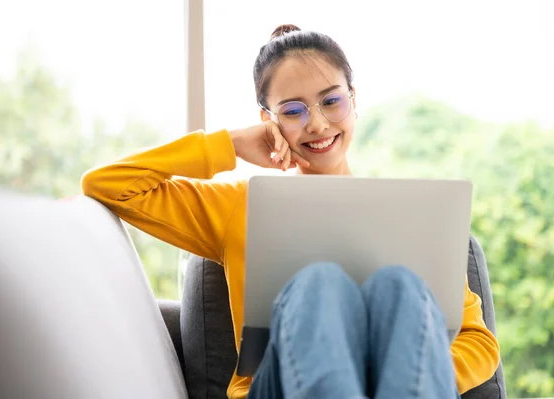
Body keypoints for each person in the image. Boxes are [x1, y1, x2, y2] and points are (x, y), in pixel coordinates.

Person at [82, 24, 500, 399]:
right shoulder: (239, 206)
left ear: (353, 100)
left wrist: (398, 370)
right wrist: (227, 144)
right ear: (268, 120)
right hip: (276, 388)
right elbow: (109, 184)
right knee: (319, 283)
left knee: (399, 286)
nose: (316, 125)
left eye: (331, 102)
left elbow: (479, 343)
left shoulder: (410, 214)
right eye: (293, 111)